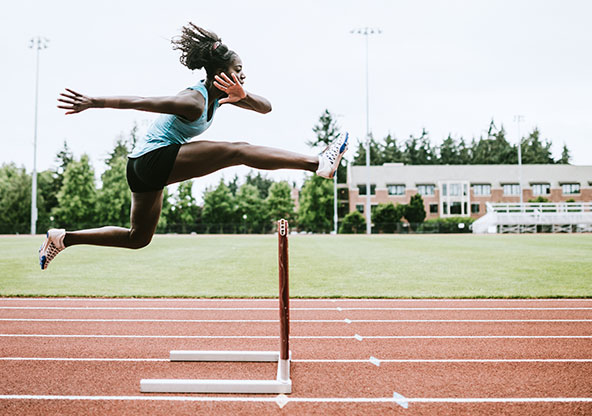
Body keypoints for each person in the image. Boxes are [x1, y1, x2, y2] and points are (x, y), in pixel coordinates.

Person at [39, 23, 348, 270]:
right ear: (220, 73)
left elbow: (266, 108)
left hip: (142, 168)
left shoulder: (221, 96)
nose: (243, 75)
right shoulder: (195, 100)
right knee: (237, 149)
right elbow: (144, 101)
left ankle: (62, 238)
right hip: (151, 159)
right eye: (238, 69)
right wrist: (94, 102)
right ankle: (318, 163)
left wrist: (243, 95)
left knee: (138, 238)